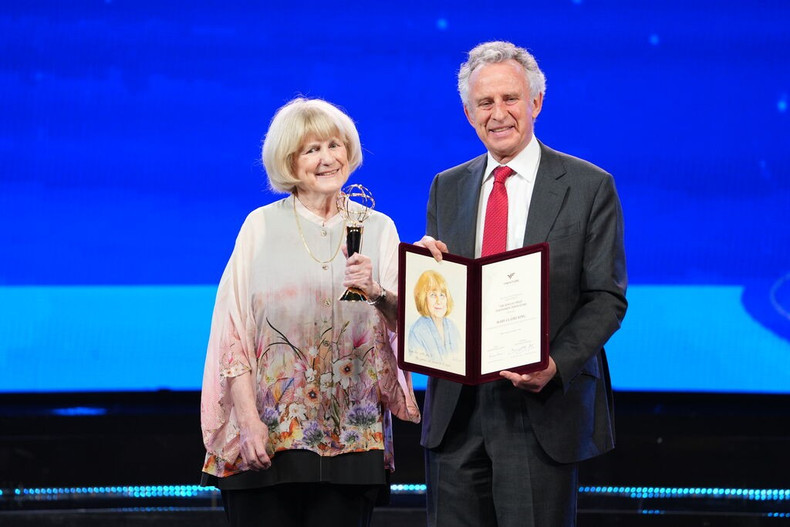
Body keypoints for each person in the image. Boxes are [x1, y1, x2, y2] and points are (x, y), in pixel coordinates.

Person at [417, 41, 628, 526]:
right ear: (468, 113)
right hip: (455, 412)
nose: (498, 114)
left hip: (540, 406)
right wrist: (425, 274)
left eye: (510, 98)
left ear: (536, 102)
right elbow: (442, 293)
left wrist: (554, 365)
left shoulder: (589, 185)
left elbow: (606, 298)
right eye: (484, 103)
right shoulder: (446, 186)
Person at [199, 97, 420, 527]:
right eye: (311, 149)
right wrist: (248, 421)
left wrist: (376, 292)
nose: (327, 158)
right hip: (267, 437)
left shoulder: (378, 228)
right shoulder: (260, 227)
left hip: (353, 438)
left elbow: (407, 327)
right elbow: (233, 334)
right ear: (289, 161)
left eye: (334, 145)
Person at [408, 270, 463, 367]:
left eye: (442, 295)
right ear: (423, 298)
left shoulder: (452, 327)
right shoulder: (417, 331)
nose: (439, 301)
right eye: (433, 295)